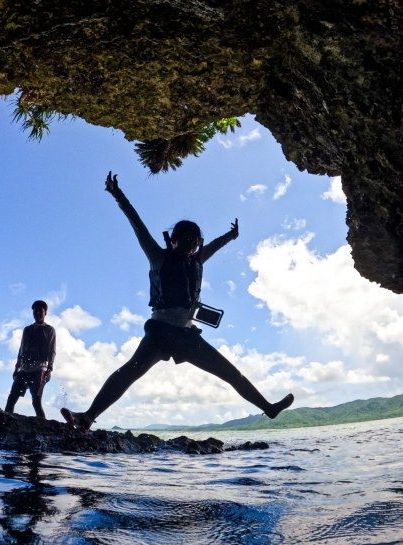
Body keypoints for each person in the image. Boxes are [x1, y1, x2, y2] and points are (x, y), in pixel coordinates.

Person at [61, 172, 294, 432]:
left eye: (195, 240)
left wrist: (231, 236)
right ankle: (87, 417)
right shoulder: (158, 256)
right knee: (129, 372)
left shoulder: (197, 260)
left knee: (231, 374)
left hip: (187, 336)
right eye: (187, 237)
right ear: (173, 239)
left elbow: (214, 246)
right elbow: (137, 223)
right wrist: (117, 194)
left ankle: (269, 409)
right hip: (160, 332)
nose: (192, 243)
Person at [5, 300, 56, 418]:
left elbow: (52, 350)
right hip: (24, 368)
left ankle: (43, 428)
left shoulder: (49, 330)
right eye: (35, 311)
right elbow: (21, 348)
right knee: (11, 398)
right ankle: (6, 424)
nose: (37, 313)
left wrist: (49, 369)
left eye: (40, 311)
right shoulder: (27, 329)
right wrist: (17, 367)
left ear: (45, 313)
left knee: (36, 401)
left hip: (40, 368)